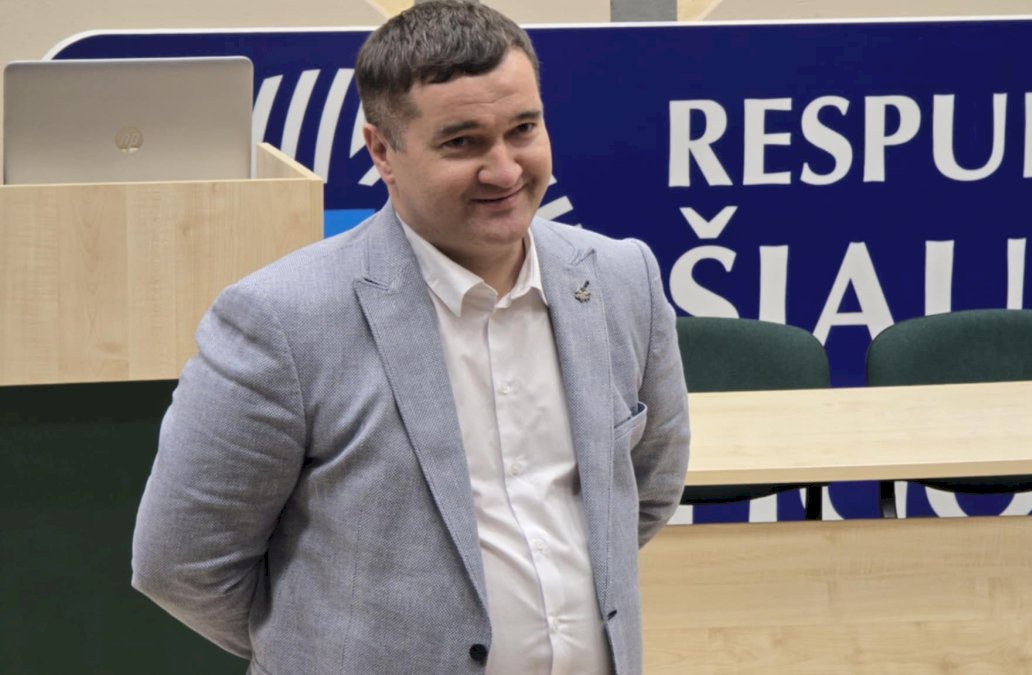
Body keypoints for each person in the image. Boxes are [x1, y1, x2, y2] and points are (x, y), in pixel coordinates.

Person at [130, 2, 690, 674]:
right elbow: (182, 562)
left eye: (523, 129)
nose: (504, 170)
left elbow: (646, 490)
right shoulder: (280, 319)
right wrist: (329, 650)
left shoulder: (622, 280)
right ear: (382, 152)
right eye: (462, 142)